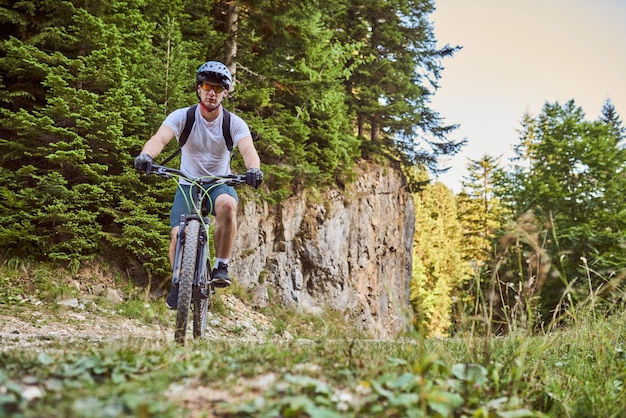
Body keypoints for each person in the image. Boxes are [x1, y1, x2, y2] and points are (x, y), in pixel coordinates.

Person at [133, 60, 263, 309]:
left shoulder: (233, 123)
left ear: (225, 92)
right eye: (207, 86)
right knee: (177, 234)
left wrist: (253, 169)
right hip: (188, 183)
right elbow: (160, 138)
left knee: (227, 206)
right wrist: (147, 156)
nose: (211, 93)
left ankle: (221, 265)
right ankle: (179, 283)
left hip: (219, 182)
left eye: (217, 88)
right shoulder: (183, 116)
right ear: (199, 88)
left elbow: (248, 150)